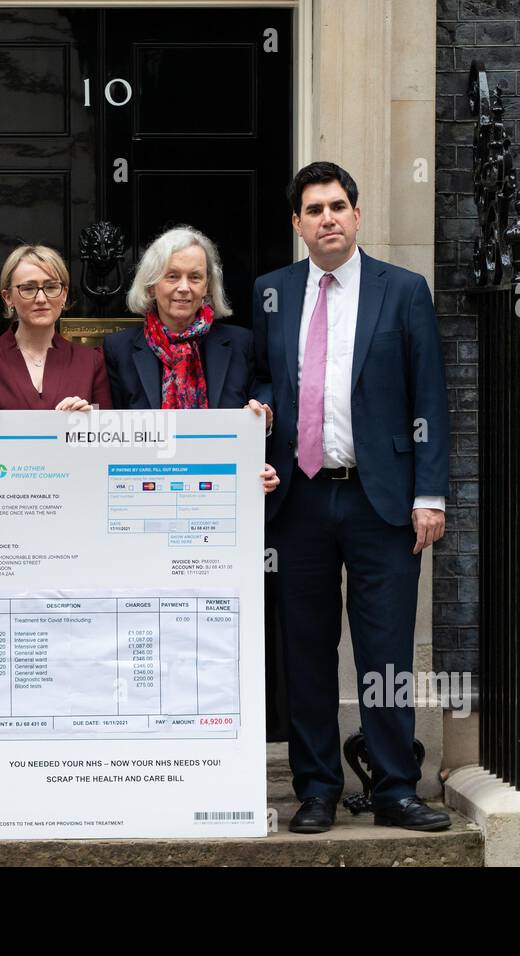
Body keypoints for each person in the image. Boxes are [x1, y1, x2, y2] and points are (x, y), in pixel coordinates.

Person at [253, 162, 450, 833]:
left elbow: (430, 396)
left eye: (338, 206)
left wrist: (431, 494)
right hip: (300, 498)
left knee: (385, 651)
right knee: (305, 651)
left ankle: (395, 787)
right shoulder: (271, 291)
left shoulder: (403, 291)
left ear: (358, 216)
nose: (328, 218)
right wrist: (261, 424)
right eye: (314, 209)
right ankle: (316, 790)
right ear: (298, 223)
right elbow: (266, 381)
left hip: (383, 500)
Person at [103, 225, 278, 493]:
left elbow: (260, 423)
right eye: (172, 276)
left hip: (222, 495)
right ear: (151, 286)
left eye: (195, 277)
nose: (184, 288)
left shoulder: (242, 344)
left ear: (207, 286)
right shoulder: (119, 349)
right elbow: (109, 438)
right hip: (143, 497)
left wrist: (262, 425)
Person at [0, 244, 112, 411]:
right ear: (8, 297)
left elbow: (106, 432)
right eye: (28, 288)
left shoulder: (90, 362)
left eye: (51, 287)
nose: (41, 298)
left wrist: (89, 420)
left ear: (64, 294)